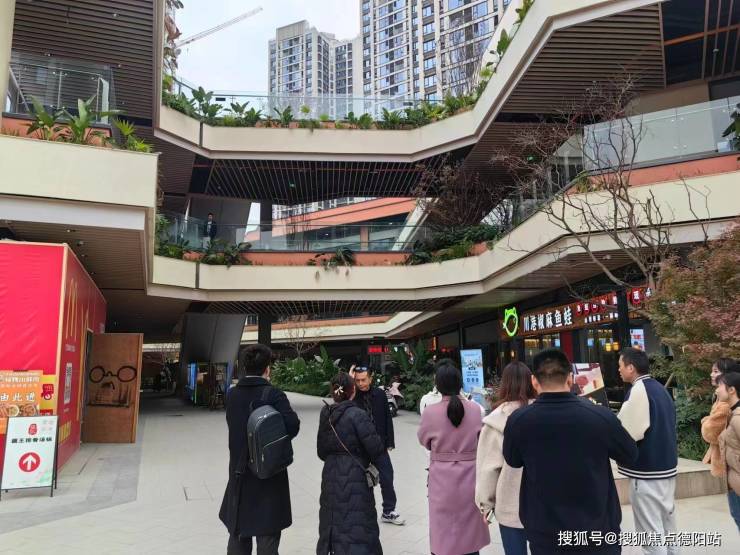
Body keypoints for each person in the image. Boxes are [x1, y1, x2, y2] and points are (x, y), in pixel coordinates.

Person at [503, 349, 638, 554]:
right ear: (570, 379)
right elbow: (630, 455)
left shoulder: (519, 421)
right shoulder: (600, 417)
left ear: (534, 381)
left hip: (545, 535)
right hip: (598, 533)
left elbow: (513, 460)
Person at [219, 344, 300, 555]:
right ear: (267, 369)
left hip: (239, 474)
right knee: (267, 540)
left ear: (244, 367)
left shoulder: (232, 395)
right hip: (267, 476)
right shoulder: (274, 395)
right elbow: (293, 426)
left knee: (238, 535)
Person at [418, 360, 491, 555]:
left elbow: (424, 440)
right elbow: (481, 440)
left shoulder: (430, 412)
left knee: (442, 527)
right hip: (471, 477)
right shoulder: (476, 409)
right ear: (460, 383)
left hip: (441, 478)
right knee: (470, 529)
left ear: (438, 384)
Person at [617, 347, 679, 555]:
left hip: (647, 473)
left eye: (620, 365)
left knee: (651, 535)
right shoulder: (660, 389)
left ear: (631, 368)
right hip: (666, 469)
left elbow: (627, 432)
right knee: (668, 529)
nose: (619, 370)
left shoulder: (639, 390)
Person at [317, 372, 385, 554]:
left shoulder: (325, 414)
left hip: (330, 476)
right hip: (356, 476)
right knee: (359, 523)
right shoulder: (358, 414)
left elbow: (321, 451)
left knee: (332, 521)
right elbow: (376, 448)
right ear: (353, 390)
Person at [475, 361, 536, 555]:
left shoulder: (496, 420)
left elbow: (488, 468)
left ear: (505, 384)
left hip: (510, 503)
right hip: (545, 504)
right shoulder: (544, 413)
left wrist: (485, 505)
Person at [352, 365, 405, 525]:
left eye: (363, 380)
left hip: (379, 445)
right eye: (357, 380)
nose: (361, 383)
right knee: (359, 481)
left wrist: (390, 442)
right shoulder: (352, 396)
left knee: (387, 477)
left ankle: (388, 511)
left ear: (370, 378)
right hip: (360, 447)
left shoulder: (380, 394)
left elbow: (387, 418)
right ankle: (360, 513)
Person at [702, 358, 739, 476]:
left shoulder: (726, 404)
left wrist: (706, 421)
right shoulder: (722, 398)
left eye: (716, 371)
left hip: (728, 464)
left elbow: (710, 433)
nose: (711, 374)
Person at [717, 371, 740, 531]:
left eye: (720, 385)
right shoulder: (732, 414)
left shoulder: (738, 417)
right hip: (734, 483)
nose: (716, 390)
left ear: (731, 390)